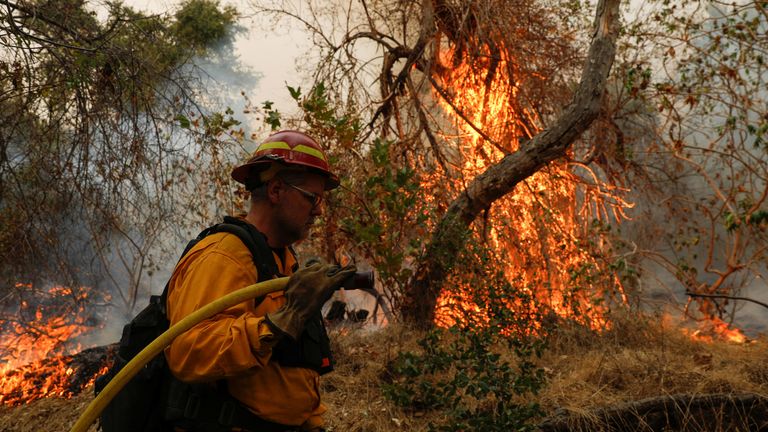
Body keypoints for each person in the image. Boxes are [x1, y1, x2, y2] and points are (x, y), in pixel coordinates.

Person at [163, 130, 356, 432]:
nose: (319, 209)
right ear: (277, 190)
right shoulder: (225, 255)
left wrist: (311, 422)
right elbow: (189, 351)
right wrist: (278, 323)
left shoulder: (281, 260)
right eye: (313, 198)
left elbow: (289, 375)